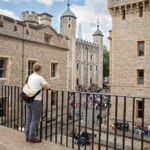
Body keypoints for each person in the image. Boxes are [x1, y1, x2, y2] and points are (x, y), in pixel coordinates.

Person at [25, 63, 50, 143]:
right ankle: (32, 137)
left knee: (29, 118)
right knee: (35, 119)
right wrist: (43, 86)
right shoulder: (40, 78)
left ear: (33, 69)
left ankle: (27, 135)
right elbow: (48, 86)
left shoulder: (30, 76)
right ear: (40, 69)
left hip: (28, 99)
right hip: (36, 101)